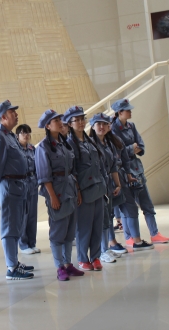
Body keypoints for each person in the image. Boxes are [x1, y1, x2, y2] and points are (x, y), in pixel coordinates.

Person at [89, 114, 153, 255]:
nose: (102, 127)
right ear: (92, 126)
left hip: (119, 177)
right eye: (98, 124)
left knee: (130, 208)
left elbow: (124, 158)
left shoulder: (114, 141)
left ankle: (136, 241)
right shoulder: (90, 144)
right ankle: (112, 243)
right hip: (102, 182)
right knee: (108, 213)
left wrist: (128, 175)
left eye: (105, 124)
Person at [0, 100, 35, 280]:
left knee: (16, 226)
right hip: (8, 186)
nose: (16, 114)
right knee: (9, 227)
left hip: (18, 185)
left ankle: (14, 261)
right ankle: (11, 268)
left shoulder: (10, 136)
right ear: (3, 117)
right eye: (12, 112)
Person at [111, 98, 169, 245]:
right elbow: (118, 151)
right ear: (120, 112)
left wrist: (133, 148)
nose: (130, 112)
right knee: (128, 208)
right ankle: (129, 236)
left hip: (137, 169)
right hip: (124, 172)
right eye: (127, 110)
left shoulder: (131, 126)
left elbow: (141, 145)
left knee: (147, 204)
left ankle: (154, 233)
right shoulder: (113, 129)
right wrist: (132, 148)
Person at [35, 109, 85, 281]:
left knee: (70, 232)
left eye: (59, 120)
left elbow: (71, 170)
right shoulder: (43, 147)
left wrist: (77, 190)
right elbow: (44, 176)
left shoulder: (64, 143)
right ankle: (59, 267)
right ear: (48, 126)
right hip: (57, 191)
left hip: (70, 190)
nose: (60, 123)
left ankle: (68, 264)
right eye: (55, 121)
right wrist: (53, 197)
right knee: (58, 232)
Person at [64, 106, 106, 270]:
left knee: (97, 225)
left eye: (82, 119)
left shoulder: (90, 141)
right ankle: (83, 258)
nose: (81, 122)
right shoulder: (69, 144)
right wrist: (77, 191)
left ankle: (96, 256)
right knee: (84, 227)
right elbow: (72, 170)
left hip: (98, 188)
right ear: (70, 124)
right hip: (84, 190)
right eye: (77, 120)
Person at [16, 124, 40, 255]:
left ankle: (32, 243)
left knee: (32, 215)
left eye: (28, 133)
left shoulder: (32, 149)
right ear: (17, 135)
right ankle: (23, 244)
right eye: (23, 133)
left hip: (33, 183)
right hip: (22, 183)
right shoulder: (15, 149)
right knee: (23, 215)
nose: (26, 135)